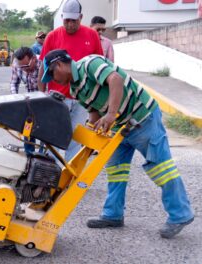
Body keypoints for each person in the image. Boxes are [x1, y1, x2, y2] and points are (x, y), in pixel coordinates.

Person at [41, 49, 194, 239]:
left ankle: (181, 214)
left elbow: (115, 80)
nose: (53, 80)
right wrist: (92, 128)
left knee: (161, 167)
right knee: (115, 170)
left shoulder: (90, 64)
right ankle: (113, 214)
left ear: (60, 65)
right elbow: (94, 110)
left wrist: (111, 114)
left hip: (142, 118)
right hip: (119, 127)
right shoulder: (75, 89)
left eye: (52, 74)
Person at [38, 0, 103, 161]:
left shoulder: (92, 35)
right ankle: (47, 174)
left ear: (81, 17)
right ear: (62, 17)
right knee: (52, 136)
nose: (70, 24)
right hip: (57, 96)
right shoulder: (53, 36)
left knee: (76, 138)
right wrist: (41, 94)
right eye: (66, 20)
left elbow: (100, 65)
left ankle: (68, 179)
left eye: (73, 20)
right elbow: (42, 67)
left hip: (83, 98)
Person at [10, 47, 41, 155]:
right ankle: (29, 155)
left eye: (26, 66)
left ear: (33, 58)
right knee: (27, 128)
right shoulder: (16, 65)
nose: (24, 69)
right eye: (21, 67)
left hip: (45, 100)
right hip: (29, 100)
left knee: (45, 130)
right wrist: (15, 99)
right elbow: (14, 83)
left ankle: (44, 155)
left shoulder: (43, 63)